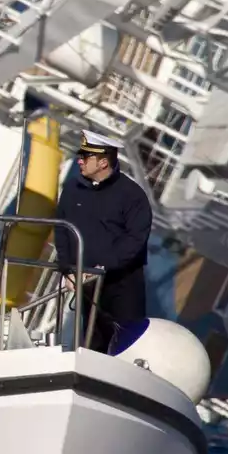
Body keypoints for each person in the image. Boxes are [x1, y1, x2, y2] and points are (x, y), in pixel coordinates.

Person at [52, 130, 153, 352]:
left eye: (86, 157)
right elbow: (61, 230)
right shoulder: (72, 190)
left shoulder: (132, 195)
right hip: (86, 283)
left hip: (121, 285)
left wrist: (102, 267)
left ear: (103, 162)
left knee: (126, 344)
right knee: (92, 341)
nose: (80, 161)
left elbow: (135, 239)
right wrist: (68, 268)